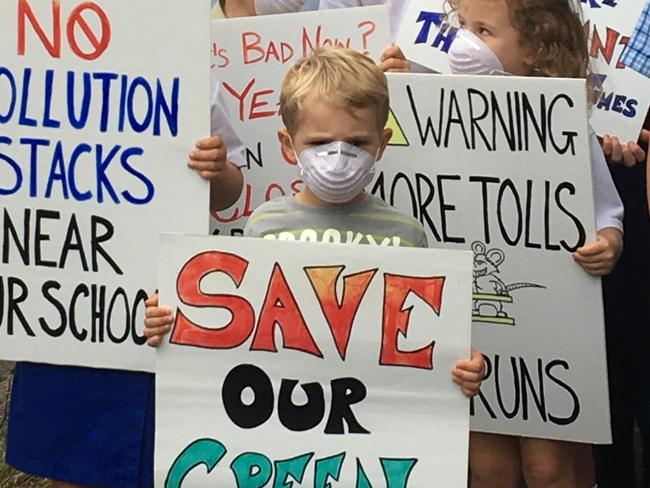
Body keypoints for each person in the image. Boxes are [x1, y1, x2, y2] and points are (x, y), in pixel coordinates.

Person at [144, 47, 486, 407]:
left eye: (357, 142)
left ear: (382, 143)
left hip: (373, 415)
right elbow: (240, 327)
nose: (339, 158)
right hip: (283, 411)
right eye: (320, 143)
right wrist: (174, 320)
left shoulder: (407, 234)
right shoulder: (264, 225)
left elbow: (425, 333)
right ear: (288, 145)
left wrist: (460, 360)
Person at [5, 82, 246, 488]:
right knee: (74, 453)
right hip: (73, 309)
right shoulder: (36, 72)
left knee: (161, 457)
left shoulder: (192, 79)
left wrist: (217, 169)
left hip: (157, 315)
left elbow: (229, 194)